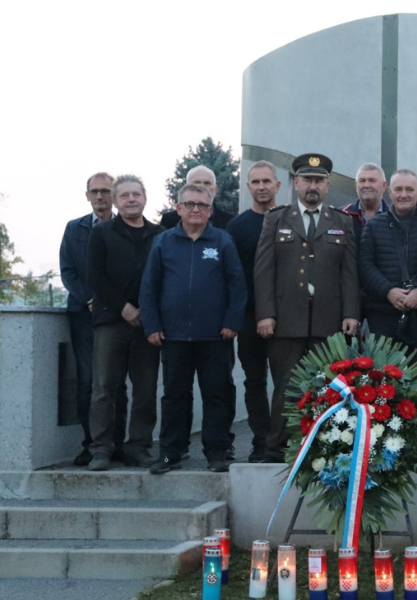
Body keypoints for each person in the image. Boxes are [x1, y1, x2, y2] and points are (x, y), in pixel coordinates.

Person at [254, 153, 361, 462]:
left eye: (319, 181)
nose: (312, 186)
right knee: (286, 387)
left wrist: (352, 312)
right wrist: (265, 314)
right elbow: (263, 271)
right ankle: (278, 448)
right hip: (286, 320)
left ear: (327, 186)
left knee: (329, 386)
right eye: (307, 180)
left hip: (330, 320)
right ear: (296, 183)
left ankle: (325, 446)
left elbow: (349, 272)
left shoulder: (342, 222)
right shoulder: (276, 219)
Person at [141, 184, 246, 474]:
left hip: (215, 335)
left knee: (216, 394)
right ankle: (170, 453)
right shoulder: (163, 242)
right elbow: (149, 287)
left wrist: (231, 322)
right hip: (172, 335)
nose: (196, 209)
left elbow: (237, 285)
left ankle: (217, 452)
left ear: (210, 210)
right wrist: (152, 324)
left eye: (201, 204)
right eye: (189, 204)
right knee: (174, 395)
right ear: (178, 209)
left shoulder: (222, 241)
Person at [85, 174, 164, 471]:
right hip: (110, 320)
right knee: (104, 386)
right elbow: (95, 275)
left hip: (148, 323)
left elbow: (164, 276)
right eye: (125, 195)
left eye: (136, 194)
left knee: (145, 388)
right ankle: (102, 448)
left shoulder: (160, 234)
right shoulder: (102, 233)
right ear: (116, 201)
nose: (131, 199)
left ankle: (139, 446)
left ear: (144, 198)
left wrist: (148, 310)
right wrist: (123, 308)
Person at [60, 172, 127, 465]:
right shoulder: (74, 229)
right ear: (87, 195)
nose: (100, 196)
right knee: (88, 380)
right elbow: (68, 271)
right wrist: (90, 298)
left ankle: (118, 444)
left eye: (105, 191)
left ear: (114, 195)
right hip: (83, 316)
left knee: (117, 383)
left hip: (116, 316)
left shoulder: (125, 228)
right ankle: (91, 444)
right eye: (95, 191)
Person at [226, 160, 281, 462]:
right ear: (248, 187)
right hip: (248, 318)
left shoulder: (290, 221)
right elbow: (232, 277)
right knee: (254, 381)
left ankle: (285, 439)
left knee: (287, 380)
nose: (262, 187)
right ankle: (261, 439)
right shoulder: (236, 228)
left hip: (287, 316)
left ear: (278, 186)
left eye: (267, 181)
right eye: (256, 182)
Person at [359, 169, 417, 362]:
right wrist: (388, 291)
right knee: (381, 380)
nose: (404, 194)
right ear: (390, 192)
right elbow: (365, 265)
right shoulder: (374, 225)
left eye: (409, 189)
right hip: (382, 314)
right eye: (399, 189)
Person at [159, 165, 235, 230]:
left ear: (215, 189)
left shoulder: (231, 222)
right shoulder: (170, 220)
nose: (202, 187)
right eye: (196, 183)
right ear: (186, 187)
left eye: (207, 183)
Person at [340, 163, 391, 244]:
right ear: (356, 185)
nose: (366, 185)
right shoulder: (341, 216)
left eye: (372, 180)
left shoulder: (395, 218)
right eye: (362, 181)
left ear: (384, 185)